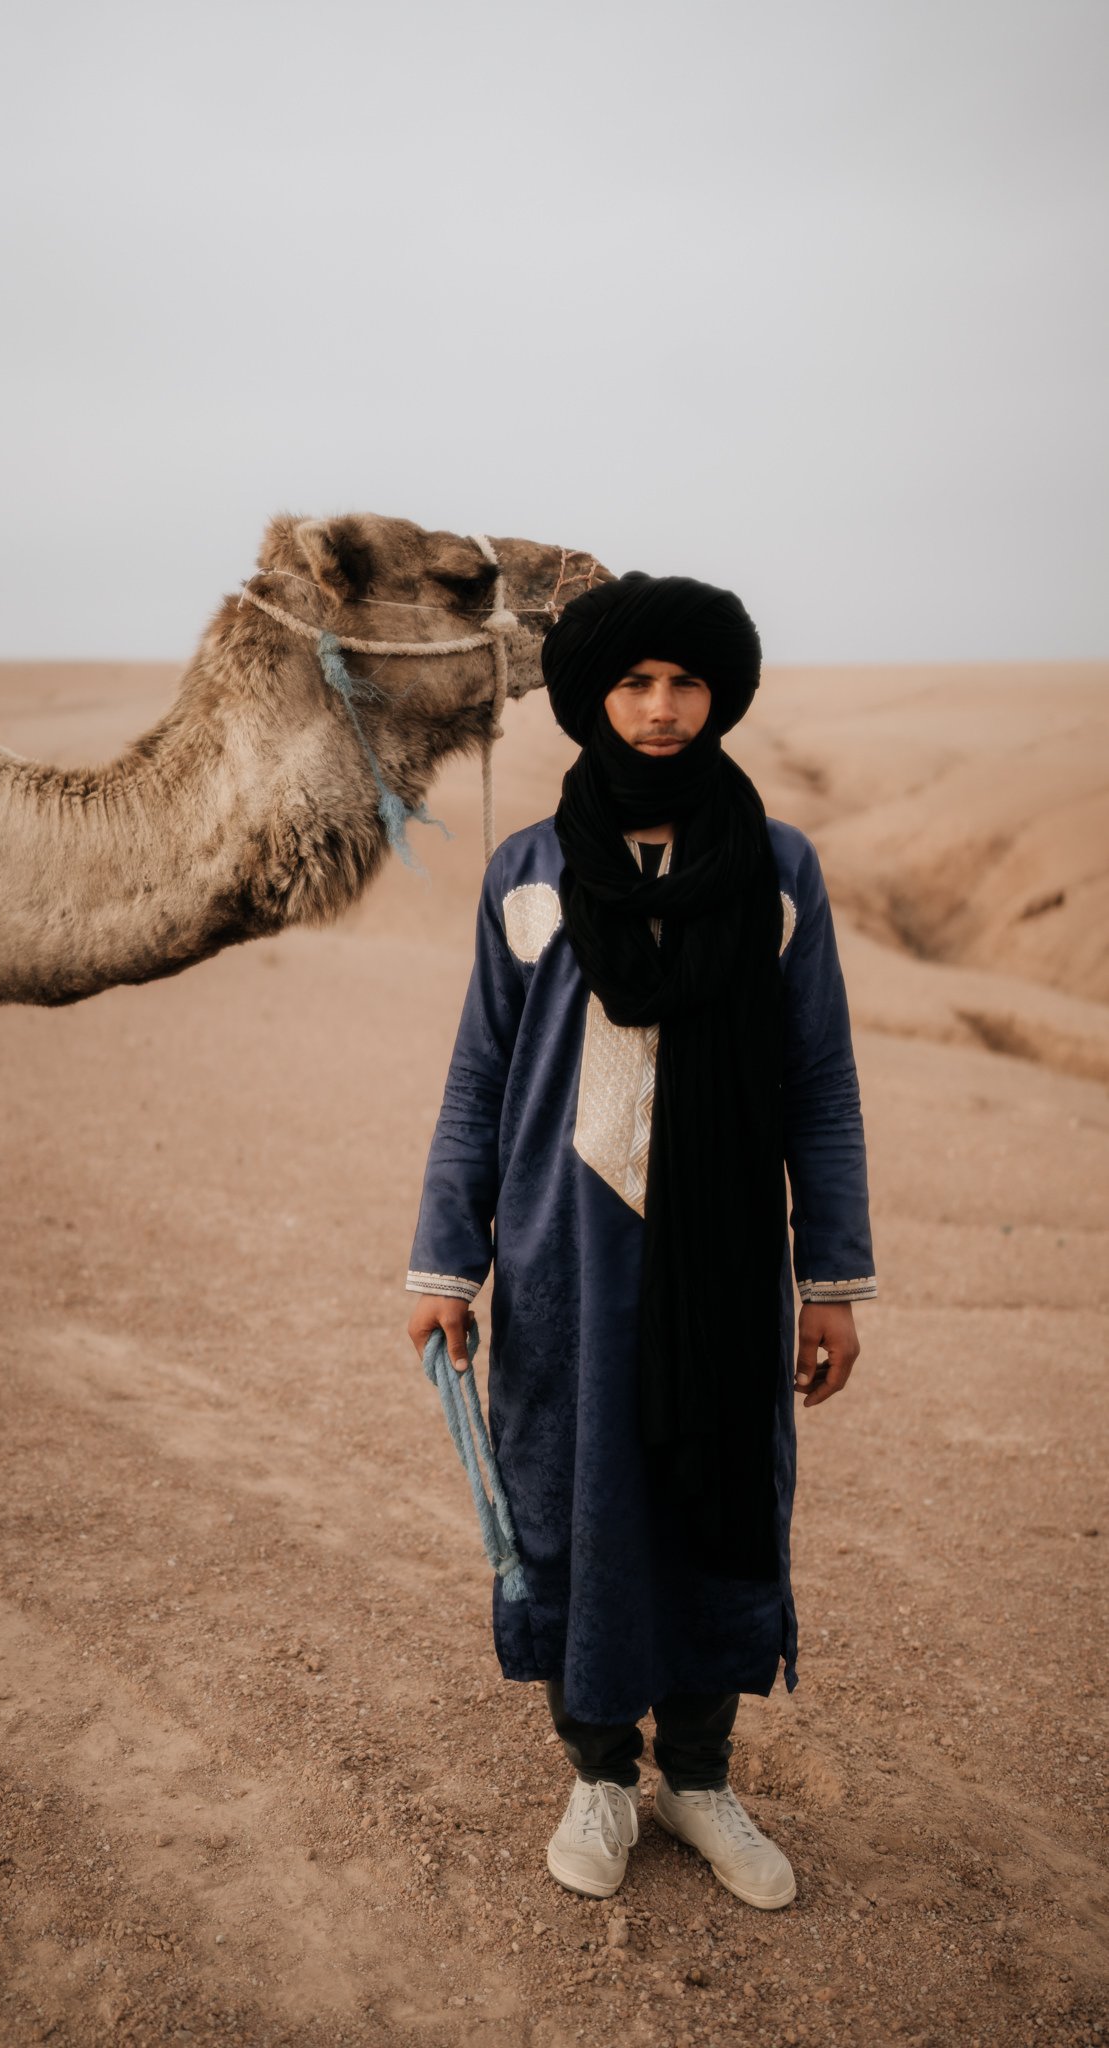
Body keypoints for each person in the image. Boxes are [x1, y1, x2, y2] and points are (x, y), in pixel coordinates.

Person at [405, 571, 875, 1910]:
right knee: (577, 1506)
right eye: (632, 684)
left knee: (719, 1506)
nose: (660, 710)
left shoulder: (776, 870)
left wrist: (828, 1279)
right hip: (562, 1263)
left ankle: (700, 1778)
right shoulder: (529, 872)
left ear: (716, 694)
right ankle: (600, 1777)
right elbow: (478, 1084)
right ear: (592, 700)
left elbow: (818, 1083)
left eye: (682, 683)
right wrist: (447, 1262)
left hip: (726, 1268)